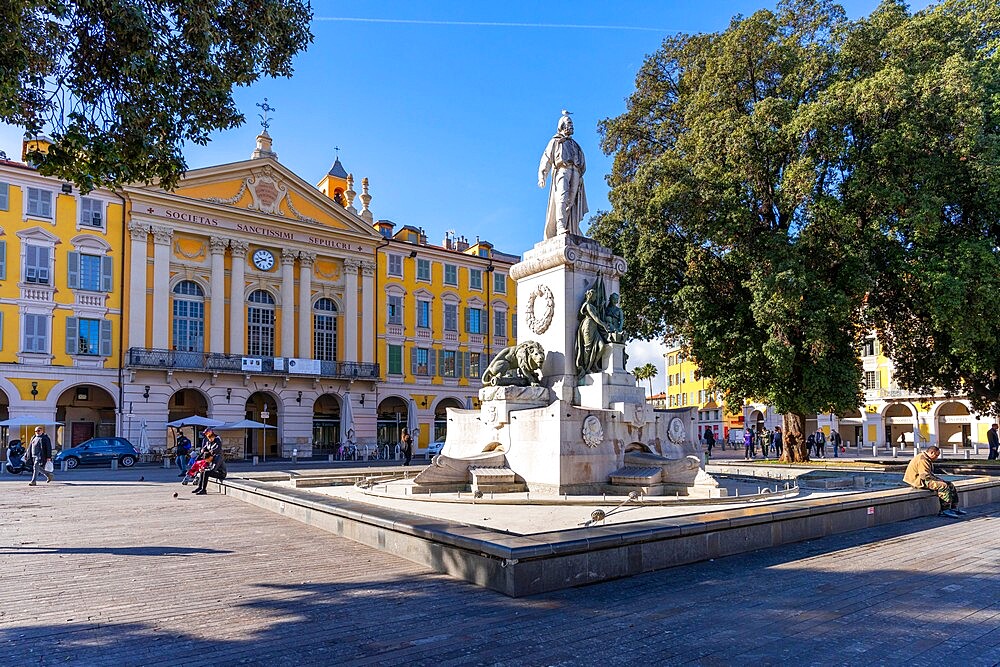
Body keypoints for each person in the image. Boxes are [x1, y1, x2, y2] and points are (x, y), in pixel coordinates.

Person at [538, 110, 588, 239]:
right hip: (562, 170)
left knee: (571, 201)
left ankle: (570, 226)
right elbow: (546, 158)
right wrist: (542, 175)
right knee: (562, 197)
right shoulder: (555, 141)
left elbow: (582, 162)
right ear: (562, 126)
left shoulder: (575, 145)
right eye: (569, 123)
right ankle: (560, 226)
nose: (571, 126)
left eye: (572, 123)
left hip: (575, 171)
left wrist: (580, 173)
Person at [903, 445, 965, 518]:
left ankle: (953, 507)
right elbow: (924, 476)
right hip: (919, 481)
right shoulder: (922, 459)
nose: (937, 457)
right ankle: (944, 510)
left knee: (950, 484)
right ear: (932, 452)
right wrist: (938, 481)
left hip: (923, 479)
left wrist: (939, 480)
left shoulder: (926, 457)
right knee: (943, 486)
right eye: (936, 455)